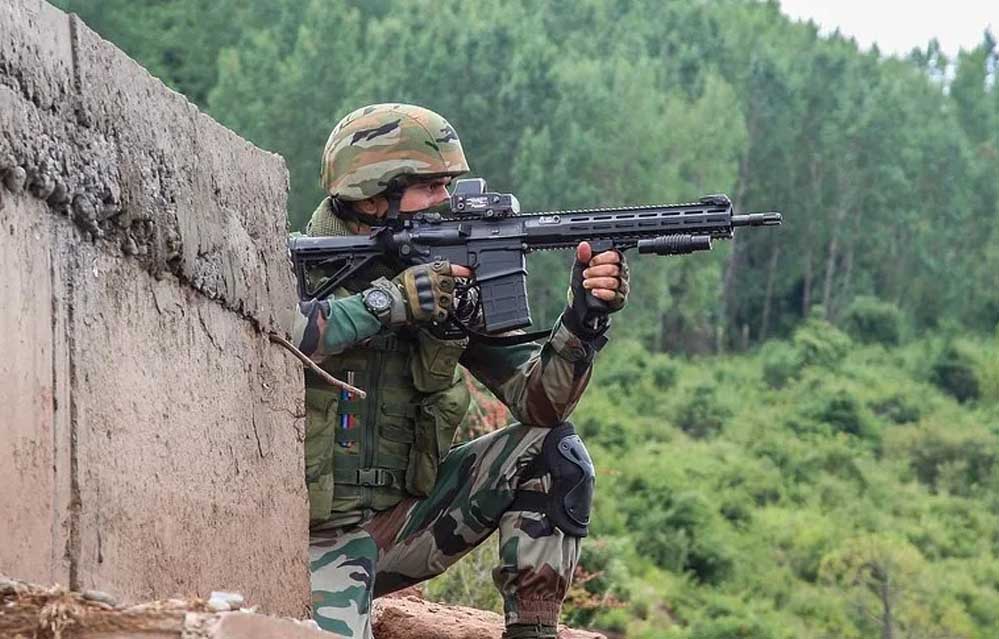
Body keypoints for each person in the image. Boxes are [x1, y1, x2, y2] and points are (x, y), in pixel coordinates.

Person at [291, 103, 629, 639]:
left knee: (554, 451)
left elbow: (540, 403)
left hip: (402, 525)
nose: (446, 199)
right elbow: (282, 330)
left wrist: (583, 321)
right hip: (305, 539)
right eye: (429, 187)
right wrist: (391, 302)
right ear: (374, 194)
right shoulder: (295, 266)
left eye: (448, 184)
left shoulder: (443, 278)